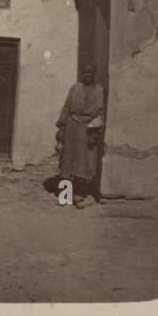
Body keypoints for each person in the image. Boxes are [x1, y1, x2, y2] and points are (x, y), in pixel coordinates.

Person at [55, 63, 106, 208]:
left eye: (90, 72)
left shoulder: (99, 91)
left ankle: (79, 195)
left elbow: (100, 113)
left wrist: (95, 133)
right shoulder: (75, 88)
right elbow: (66, 107)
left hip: (87, 129)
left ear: (94, 73)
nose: (87, 75)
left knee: (84, 163)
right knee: (68, 161)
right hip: (72, 127)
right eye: (85, 72)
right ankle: (65, 195)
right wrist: (61, 127)